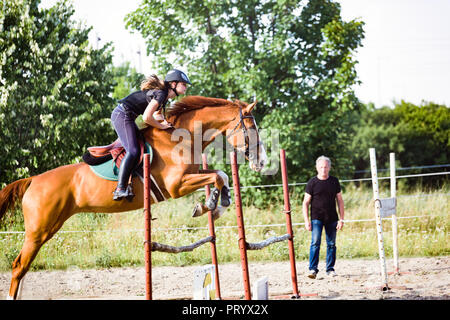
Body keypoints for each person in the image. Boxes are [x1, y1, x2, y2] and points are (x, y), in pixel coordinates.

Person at [110, 69, 191, 201]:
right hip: (121, 115)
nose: (186, 87)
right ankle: (120, 189)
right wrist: (162, 126)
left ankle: (131, 183)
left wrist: (168, 126)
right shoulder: (161, 94)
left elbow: (157, 115)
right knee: (134, 151)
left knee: (143, 145)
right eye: (184, 84)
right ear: (174, 84)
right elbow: (147, 117)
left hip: (128, 116)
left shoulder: (164, 97)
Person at [302, 155, 345, 278]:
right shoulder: (312, 182)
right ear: (317, 168)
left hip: (332, 218)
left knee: (331, 244)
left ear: (329, 167)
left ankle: (330, 269)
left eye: (326, 167)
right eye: (321, 167)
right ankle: (312, 269)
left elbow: (340, 201)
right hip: (316, 218)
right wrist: (306, 221)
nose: (323, 169)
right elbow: (305, 202)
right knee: (315, 242)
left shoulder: (334, 181)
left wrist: (341, 219)